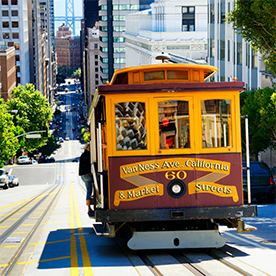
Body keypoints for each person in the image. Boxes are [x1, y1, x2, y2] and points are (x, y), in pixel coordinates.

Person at [79, 143, 94, 217]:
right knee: (89, 190)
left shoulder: (83, 155)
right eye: (89, 147)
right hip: (87, 174)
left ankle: (89, 207)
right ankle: (89, 208)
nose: (90, 149)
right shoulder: (87, 155)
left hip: (83, 175)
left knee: (89, 190)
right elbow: (88, 165)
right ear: (86, 148)